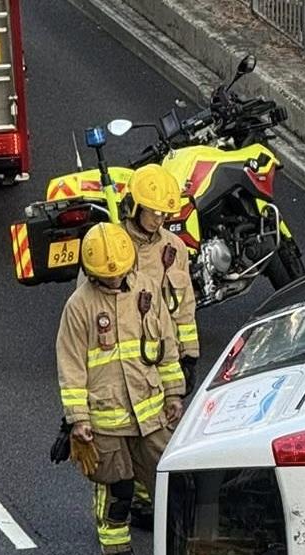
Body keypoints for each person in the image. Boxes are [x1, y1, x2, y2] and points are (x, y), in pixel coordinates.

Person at [56, 221, 186, 555]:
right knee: (117, 486)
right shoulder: (79, 307)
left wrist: (174, 392)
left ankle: (179, 540)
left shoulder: (145, 290)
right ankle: (116, 548)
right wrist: (77, 419)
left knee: (166, 476)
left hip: (150, 411)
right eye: (105, 278)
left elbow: (166, 345)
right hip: (106, 417)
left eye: (119, 276)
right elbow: (71, 365)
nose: (114, 282)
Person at [122, 163, 196, 529]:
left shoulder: (174, 248)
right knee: (130, 433)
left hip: (164, 355)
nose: (160, 219)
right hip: (126, 356)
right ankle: (139, 498)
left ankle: (151, 498)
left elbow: (185, 306)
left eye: (165, 213)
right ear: (136, 206)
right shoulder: (113, 247)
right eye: (154, 211)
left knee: (162, 432)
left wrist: (190, 356)